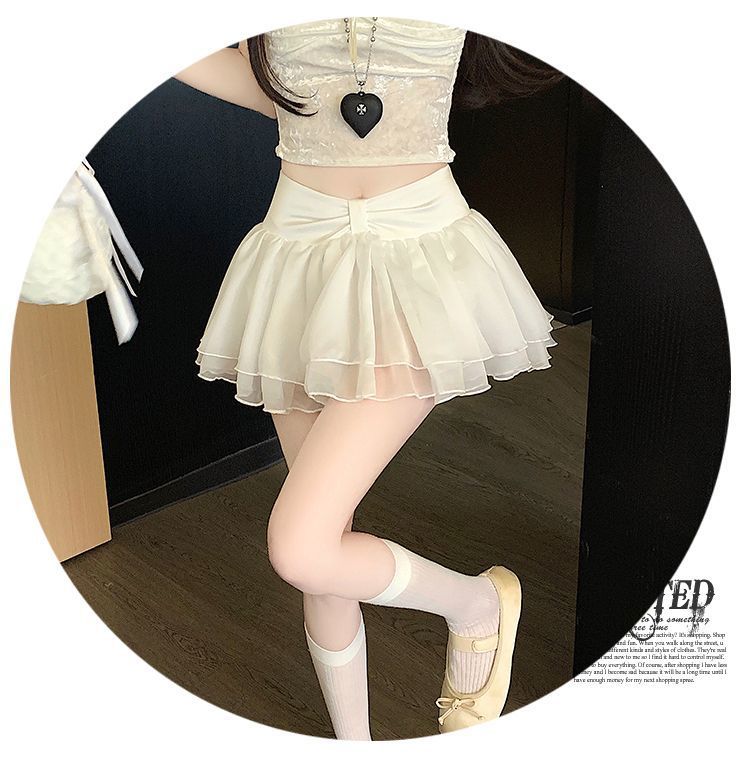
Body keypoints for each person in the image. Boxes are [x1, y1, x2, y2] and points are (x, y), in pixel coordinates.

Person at [175, 16, 561, 740]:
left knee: (302, 545)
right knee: (326, 550)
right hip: (297, 261)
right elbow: (274, 88)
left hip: (417, 261)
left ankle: (476, 604)